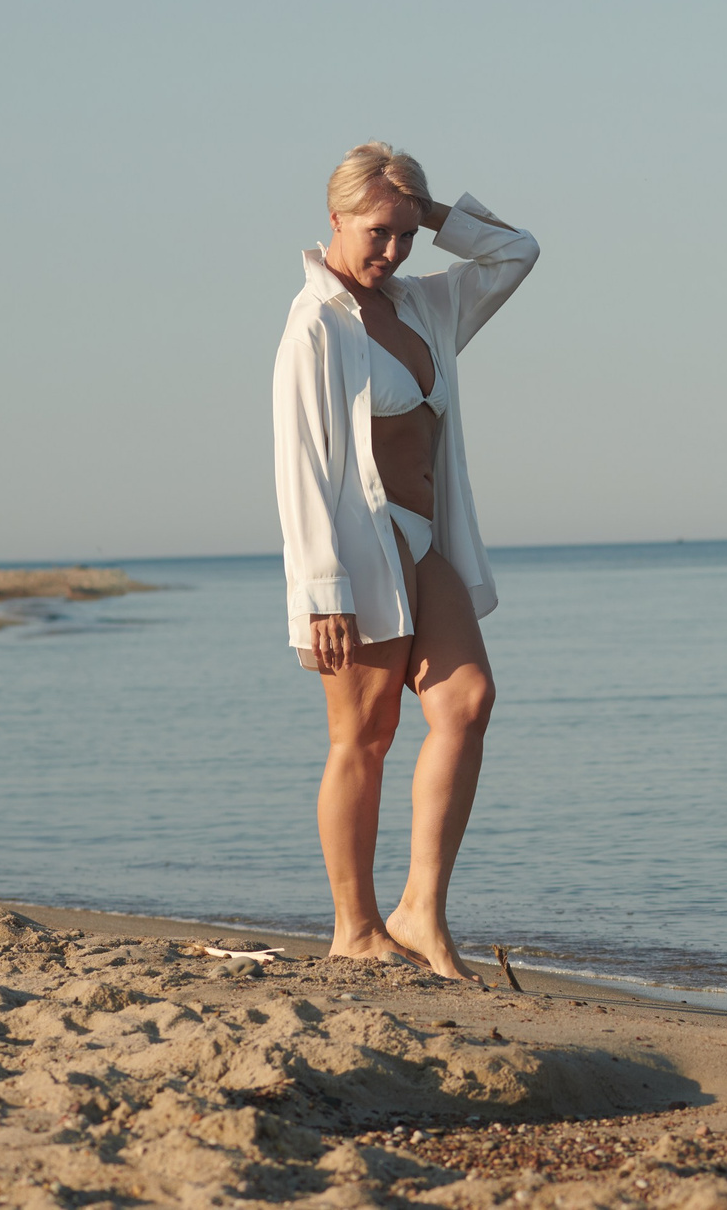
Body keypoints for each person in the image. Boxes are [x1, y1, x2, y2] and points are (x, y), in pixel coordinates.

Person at [272, 141, 538, 979]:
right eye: (376, 231)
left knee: (467, 700)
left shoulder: (426, 305)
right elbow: (301, 464)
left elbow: (516, 250)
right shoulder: (315, 323)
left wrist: (433, 214)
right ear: (336, 219)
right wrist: (323, 590)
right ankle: (354, 926)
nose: (391, 251)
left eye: (404, 234)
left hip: (427, 538)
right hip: (358, 544)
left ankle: (419, 908)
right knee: (366, 733)